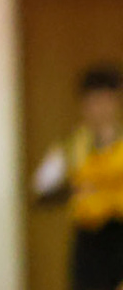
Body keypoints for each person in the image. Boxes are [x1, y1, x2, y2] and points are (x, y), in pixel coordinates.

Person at [33, 64, 123, 290]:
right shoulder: (70, 147)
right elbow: (40, 193)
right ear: (83, 105)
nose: (99, 109)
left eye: (105, 100)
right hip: (90, 240)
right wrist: (73, 190)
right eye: (93, 101)